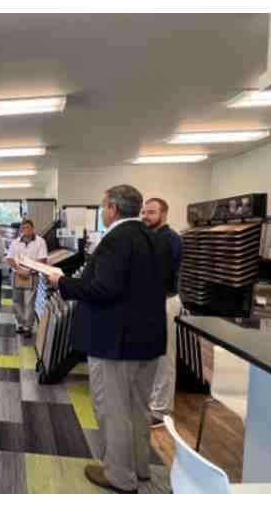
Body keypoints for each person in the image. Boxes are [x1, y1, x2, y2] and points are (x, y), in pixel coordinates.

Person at [45, 185, 172, 494]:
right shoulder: (157, 238)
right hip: (148, 338)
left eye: (104, 206)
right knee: (138, 408)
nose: (103, 211)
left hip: (115, 342)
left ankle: (119, 476)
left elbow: (103, 289)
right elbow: (165, 284)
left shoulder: (116, 239)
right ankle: (139, 467)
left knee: (113, 410)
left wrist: (63, 282)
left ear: (113, 209)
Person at [141, 197, 184, 428]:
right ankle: (151, 402)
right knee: (151, 355)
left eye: (151, 212)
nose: (146, 216)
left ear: (164, 214)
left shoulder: (170, 239)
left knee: (164, 358)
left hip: (165, 302)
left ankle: (161, 411)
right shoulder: (150, 237)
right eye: (144, 212)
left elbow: (164, 276)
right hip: (151, 302)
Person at [6, 219, 48, 338]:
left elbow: (43, 260)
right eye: (23, 228)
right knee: (17, 301)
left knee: (29, 302)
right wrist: (19, 270)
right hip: (17, 275)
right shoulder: (15, 242)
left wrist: (29, 271)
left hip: (32, 275)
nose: (26, 230)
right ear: (21, 230)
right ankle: (20, 323)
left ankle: (28, 327)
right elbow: (9, 259)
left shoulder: (40, 242)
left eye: (28, 228)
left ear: (33, 228)